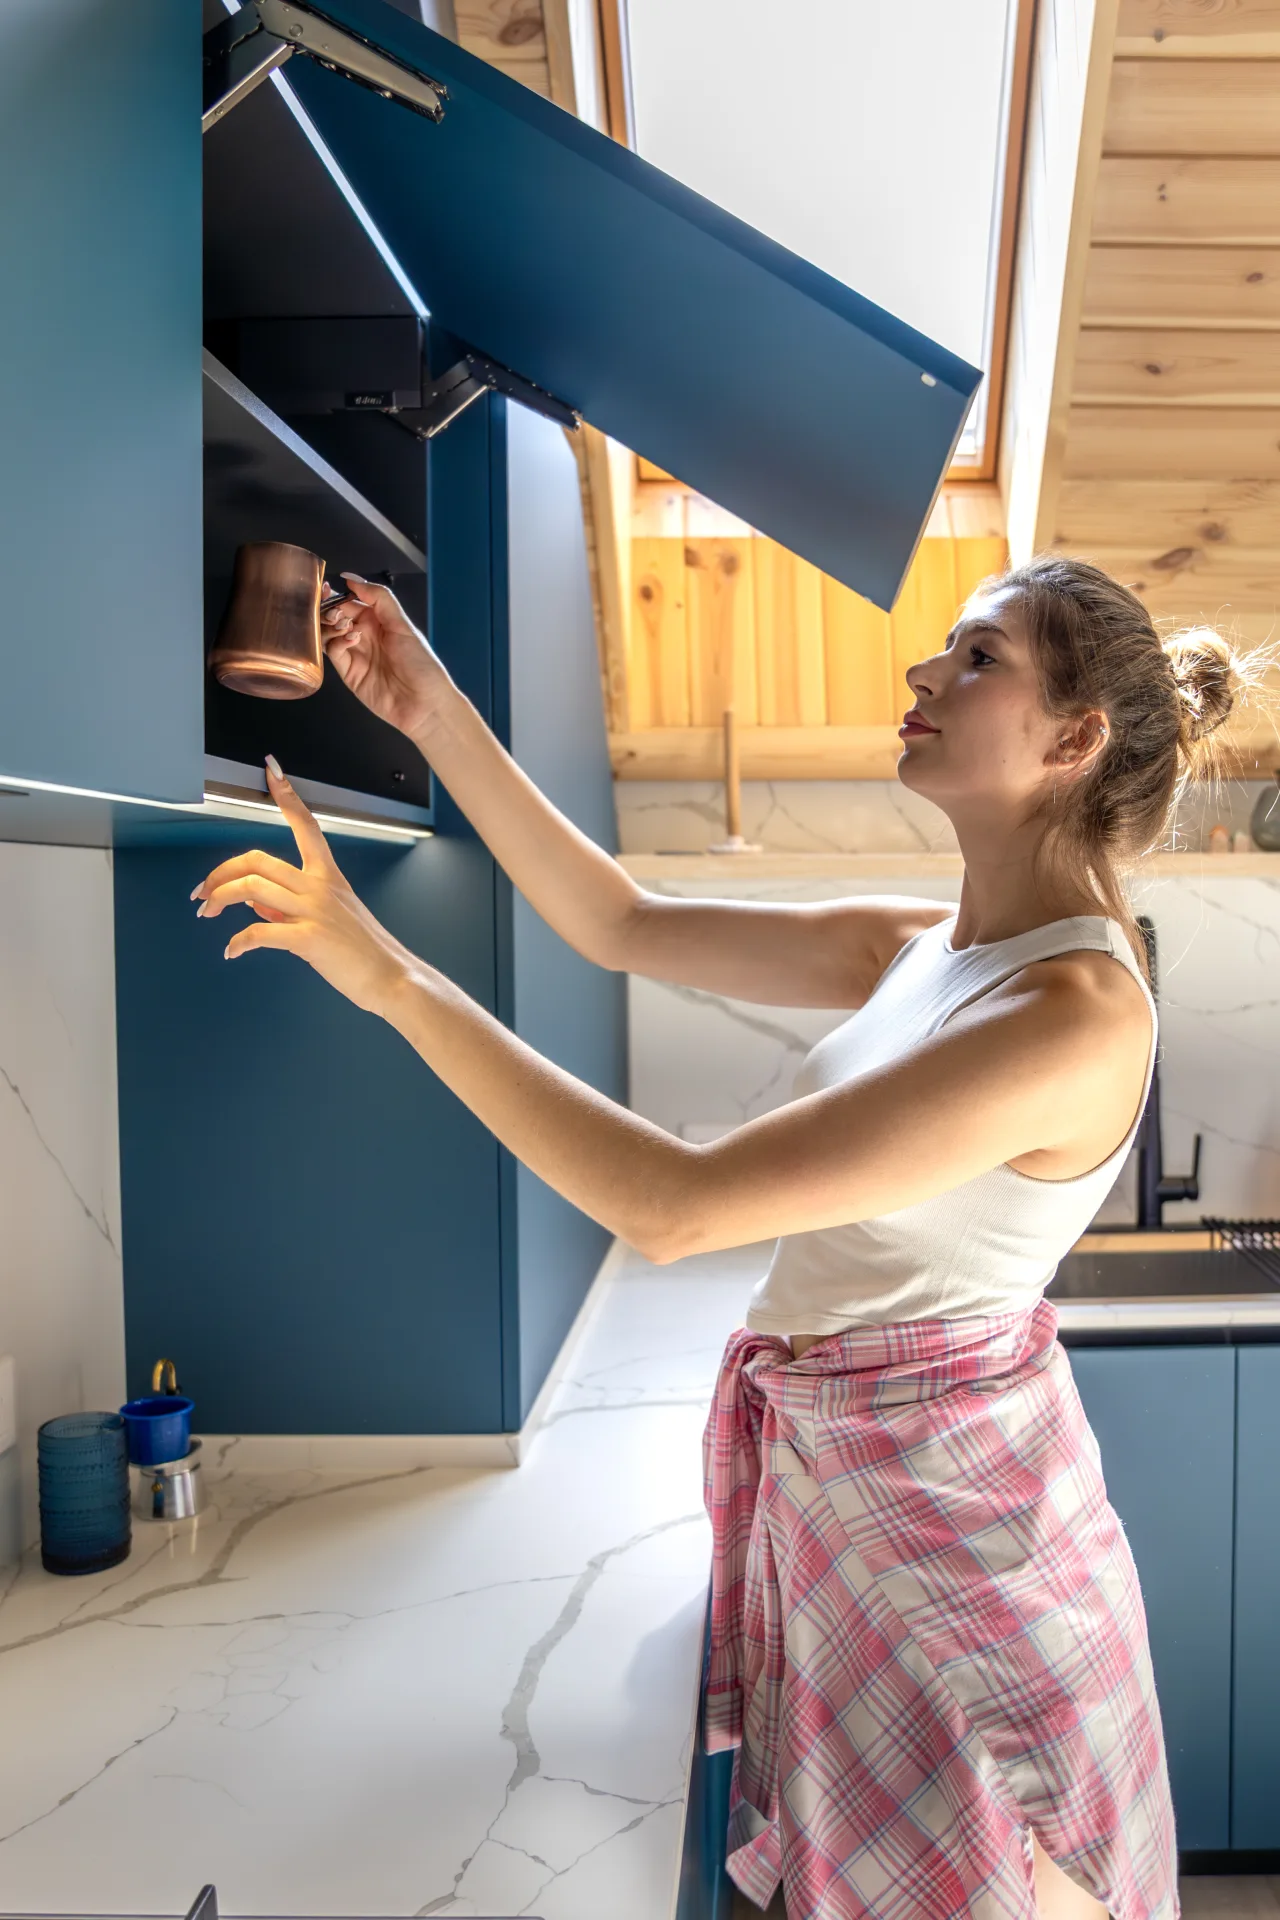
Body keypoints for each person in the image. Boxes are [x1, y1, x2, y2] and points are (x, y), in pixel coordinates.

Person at [191, 554, 1248, 1920]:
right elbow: (618, 923)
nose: (923, 676)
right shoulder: (922, 948)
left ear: (1074, 737)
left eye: (976, 659)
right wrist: (427, 702)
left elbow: (673, 1205)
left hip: (970, 1587)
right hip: (864, 1521)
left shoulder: (1077, 1013)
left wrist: (392, 978)